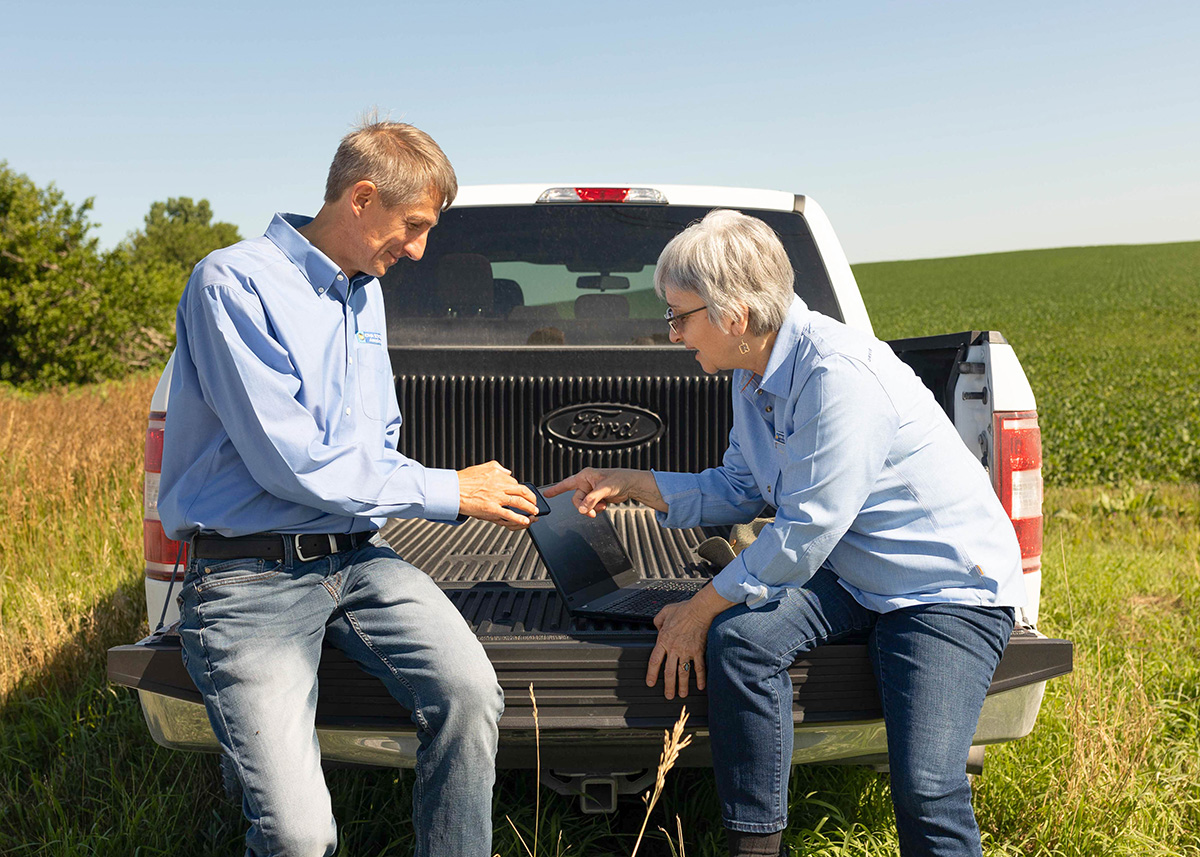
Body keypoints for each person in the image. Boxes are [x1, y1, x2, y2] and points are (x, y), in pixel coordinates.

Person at [544, 209, 1025, 857]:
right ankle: (757, 845)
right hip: (853, 573)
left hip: (943, 590)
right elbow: (740, 486)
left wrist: (699, 606)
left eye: (678, 316)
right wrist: (637, 483)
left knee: (927, 785)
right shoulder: (753, 374)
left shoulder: (838, 377)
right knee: (745, 639)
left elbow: (805, 534)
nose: (672, 333)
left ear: (734, 315)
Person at [157, 119, 539, 857]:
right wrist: (447, 490)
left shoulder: (365, 293)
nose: (420, 249)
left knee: (468, 693)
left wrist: (401, 495)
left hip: (358, 560)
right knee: (300, 837)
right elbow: (290, 460)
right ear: (362, 197)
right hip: (248, 577)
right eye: (415, 226)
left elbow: (375, 434)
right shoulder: (232, 282)